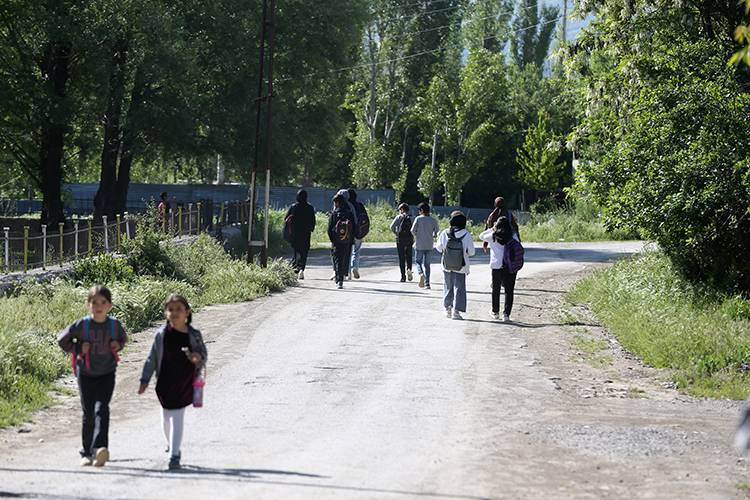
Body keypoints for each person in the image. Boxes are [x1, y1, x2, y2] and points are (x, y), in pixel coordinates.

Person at [57, 285, 127, 467]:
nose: (99, 306)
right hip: (86, 374)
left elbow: (123, 339)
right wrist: (78, 348)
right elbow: (62, 340)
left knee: (102, 409)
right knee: (88, 412)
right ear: (88, 305)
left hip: (107, 373)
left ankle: (100, 449)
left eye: (103, 302)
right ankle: (86, 452)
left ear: (110, 305)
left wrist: (117, 345)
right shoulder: (82, 325)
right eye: (94, 302)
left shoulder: (114, 325)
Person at [139, 294, 207, 470]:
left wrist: (196, 357)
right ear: (165, 313)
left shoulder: (193, 335)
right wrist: (144, 379)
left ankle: (174, 455)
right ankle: (171, 444)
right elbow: (152, 358)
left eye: (179, 309)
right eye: (171, 309)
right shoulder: (161, 335)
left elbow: (203, 355)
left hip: (185, 381)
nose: (175, 312)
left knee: (177, 416)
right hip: (164, 381)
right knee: (166, 417)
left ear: (187, 313)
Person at [435, 211, 476, 320]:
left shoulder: (445, 233)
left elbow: (439, 248)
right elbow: (472, 252)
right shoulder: (466, 234)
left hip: (447, 264)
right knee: (459, 288)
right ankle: (456, 312)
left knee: (448, 286)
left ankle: (447, 308)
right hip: (461, 266)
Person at [479, 216, 521, 322]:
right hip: (509, 266)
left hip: (496, 266)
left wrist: (492, 228)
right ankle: (506, 315)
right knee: (509, 290)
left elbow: (481, 236)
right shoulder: (512, 235)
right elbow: (518, 244)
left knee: (496, 289)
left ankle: (495, 311)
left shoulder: (493, 236)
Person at [284, 189, 316, 280]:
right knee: (304, 251)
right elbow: (313, 220)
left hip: (295, 233)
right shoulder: (310, 207)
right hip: (306, 233)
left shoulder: (293, 207)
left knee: (296, 251)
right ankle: (302, 269)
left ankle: (296, 269)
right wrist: (311, 229)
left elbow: (286, 218)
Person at [328, 194, 356, 289]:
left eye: (335, 202)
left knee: (337, 259)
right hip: (347, 241)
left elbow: (329, 229)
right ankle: (342, 276)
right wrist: (350, 239)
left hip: (336, 241)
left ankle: (339, 280)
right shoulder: (349, 213)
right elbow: (354, 228)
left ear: (337, 202)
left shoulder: (334, 213)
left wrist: (333, 240)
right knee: (344, 258)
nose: (334, 204)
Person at [411, 202, 440, 289]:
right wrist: (433, 235)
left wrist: (417, 234)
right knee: (427, 265)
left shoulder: (418, 219)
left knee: (418, 262)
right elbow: (437, 231)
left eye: (419, 210)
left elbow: (412, 230)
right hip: (429, 245)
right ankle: (427, 283)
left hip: (419, 244)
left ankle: (421, 274)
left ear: (422, 210)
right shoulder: (433, 220)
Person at [348, 188, 369, 280]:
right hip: (358, 231)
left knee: (347, 252)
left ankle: (347, 272)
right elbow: (366, 218)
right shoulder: (360, 205)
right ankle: (355, 267)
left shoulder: (346, 205)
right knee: (356, 251)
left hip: (348, 231)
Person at [389, 203, 414, 282]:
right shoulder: (412, 218)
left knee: (401, 258)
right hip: (409, 239)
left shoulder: (399, 217)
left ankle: (403, 276)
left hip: (400, 239)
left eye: (400, 210)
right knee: (409, 256)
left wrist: (397, 233)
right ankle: (409, 269)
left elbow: (391, 227)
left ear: (402, 209)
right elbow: (415, 229)